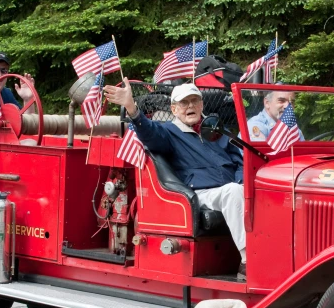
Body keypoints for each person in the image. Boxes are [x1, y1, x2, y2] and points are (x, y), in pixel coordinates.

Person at [104, 79, 247, 280]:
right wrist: (131, 107)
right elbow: (149, 133)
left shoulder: (215, 130)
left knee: (254, 190)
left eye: (194, 101)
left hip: (233, 187)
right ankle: (248, 260)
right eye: (184, 103)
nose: (190, 106)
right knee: (232, 192)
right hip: (200, 193)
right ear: (174, 108)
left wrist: (243, 180)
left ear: (202, 105)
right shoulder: (169, 132)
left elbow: (240, 158)